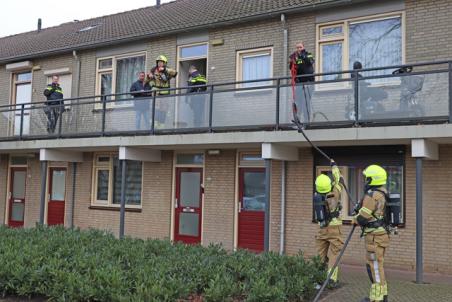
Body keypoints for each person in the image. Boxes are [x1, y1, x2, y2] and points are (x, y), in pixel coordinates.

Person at [353, 165, 390, 302]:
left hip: (374, 237)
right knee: (378, 265)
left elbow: (363, 217)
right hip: (382, 235)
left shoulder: (372, 195)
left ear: (373, 179)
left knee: (373, 266)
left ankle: (377, 299)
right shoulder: (383, 192)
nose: (365, 180)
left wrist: (354, 219)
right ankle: (383, 295)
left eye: (367, 178)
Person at [313, 159, 344, 287]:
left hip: (322, 227)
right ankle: (331, 279)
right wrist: (334, 165)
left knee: (320, 253)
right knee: (335, 253)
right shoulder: (335, 193)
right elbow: (339, 178)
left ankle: (317, 278)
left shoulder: (317, 196)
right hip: (334, 227)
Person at [147, 55, 177, 128]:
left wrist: (164, 70)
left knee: (164, 110)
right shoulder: (153, 69)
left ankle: (161, 125)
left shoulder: (168, 69)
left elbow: (175, 73)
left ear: (164, 63)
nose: (159, 63)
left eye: (161, 62)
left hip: (165, 93)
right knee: (155, 108)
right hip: (156, 92)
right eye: (158, 62)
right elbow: (148, 80)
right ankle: (154, 125)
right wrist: (149, 77)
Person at [289, 42, 315, 124]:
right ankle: (297, 120)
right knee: (298, 102)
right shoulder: (295, 57)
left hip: (308, 83)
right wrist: (292, 61)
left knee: (306, 102)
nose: (299, 49)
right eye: (297, 47)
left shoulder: (308, 54)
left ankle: (307, 122)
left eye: (300, 47)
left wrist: (302, 55)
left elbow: (310, 62)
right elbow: (291, 68)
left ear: (303, 47)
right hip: (299, 83)